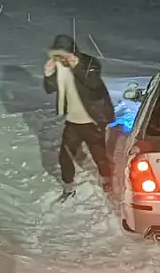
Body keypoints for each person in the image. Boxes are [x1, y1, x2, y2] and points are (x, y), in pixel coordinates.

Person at [43, 34, 114, 198]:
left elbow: (94, 82)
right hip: (73, 122)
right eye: (58, 55)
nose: (61, 59)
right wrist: (49, 74)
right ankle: (68, 188)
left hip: (93, 120)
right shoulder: (59, 67)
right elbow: (50, 88)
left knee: (99, 155)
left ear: (71, 52)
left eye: (64, 55)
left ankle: (106, 179)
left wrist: (76, 65)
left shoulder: (89, 63)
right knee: (65, 157)